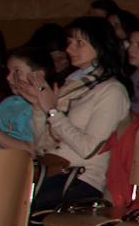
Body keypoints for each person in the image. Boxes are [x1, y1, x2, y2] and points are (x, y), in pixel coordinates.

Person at [29, 18, 132, 209]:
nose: (69, 49)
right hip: (52, 170)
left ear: (100, 46)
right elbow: (40, 143)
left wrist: (53, 112)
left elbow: (88, 148)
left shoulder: (111, 91)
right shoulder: (69, 85)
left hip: (81, 178)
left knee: (16, 204)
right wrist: (38, 107)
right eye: (69, 42)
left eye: (79, 43)